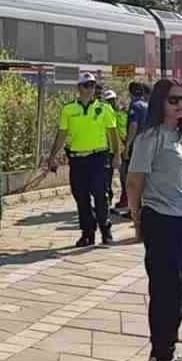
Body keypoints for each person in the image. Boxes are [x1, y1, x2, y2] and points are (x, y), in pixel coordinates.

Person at [126, 78, 182, 361]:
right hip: (163, 221)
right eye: (174, 100)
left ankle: (164, 351)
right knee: (166, 291)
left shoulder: (179, 136)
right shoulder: (150, 138)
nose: (180, 106)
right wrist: (138, 222)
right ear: (159, 101)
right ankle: (163, 357)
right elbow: (134, 183)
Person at [48, 72, 121, 247]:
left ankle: (105, 229)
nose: (90, 89)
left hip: (98, 157)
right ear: (78, 88)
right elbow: (62, 133)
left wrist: (116, 155)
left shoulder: (105, 108)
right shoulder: (68, 109)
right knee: (81, 197)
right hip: (77, 159)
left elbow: (112, 132)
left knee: (101, 196)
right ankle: (87, 233)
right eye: (86, 85)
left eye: (93, 85)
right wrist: (52, 156)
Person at [115, 82, 150, 216]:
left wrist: (127, 146)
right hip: (146, 146)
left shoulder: (135, 106)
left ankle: (134, 210)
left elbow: (133, 126)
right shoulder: (147, 105)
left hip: (136, 147)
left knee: (131, 179)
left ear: (130, 93)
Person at [103, 89, 126, 205]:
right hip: (107, 150)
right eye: (108, 101)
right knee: (106, 178)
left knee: (124, 176)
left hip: (120, 150)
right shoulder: (102, 115)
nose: (111, 103)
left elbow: (124, 131)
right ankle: (108, 199)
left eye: (112, 100)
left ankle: (124, 199)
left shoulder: (121, 114)